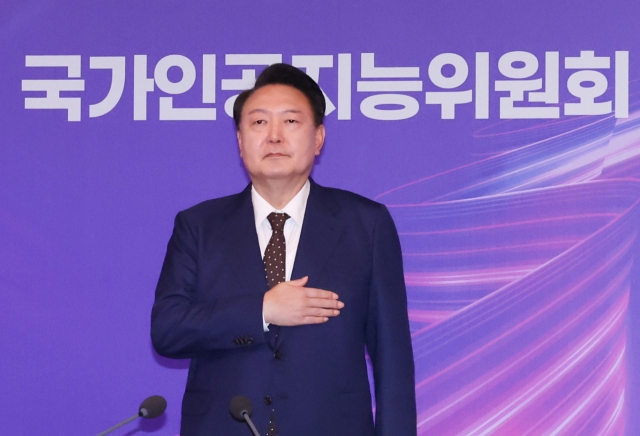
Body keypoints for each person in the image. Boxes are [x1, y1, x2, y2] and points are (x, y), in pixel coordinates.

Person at [151, 63, 416, 436]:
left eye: (290, 122)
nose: (274, 136)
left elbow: (394, 359)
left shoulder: (365, 224)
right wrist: (262, 310)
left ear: (318, 138)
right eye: (259, 123)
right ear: (241, 141)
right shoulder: (199, 225)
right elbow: (168, 330)